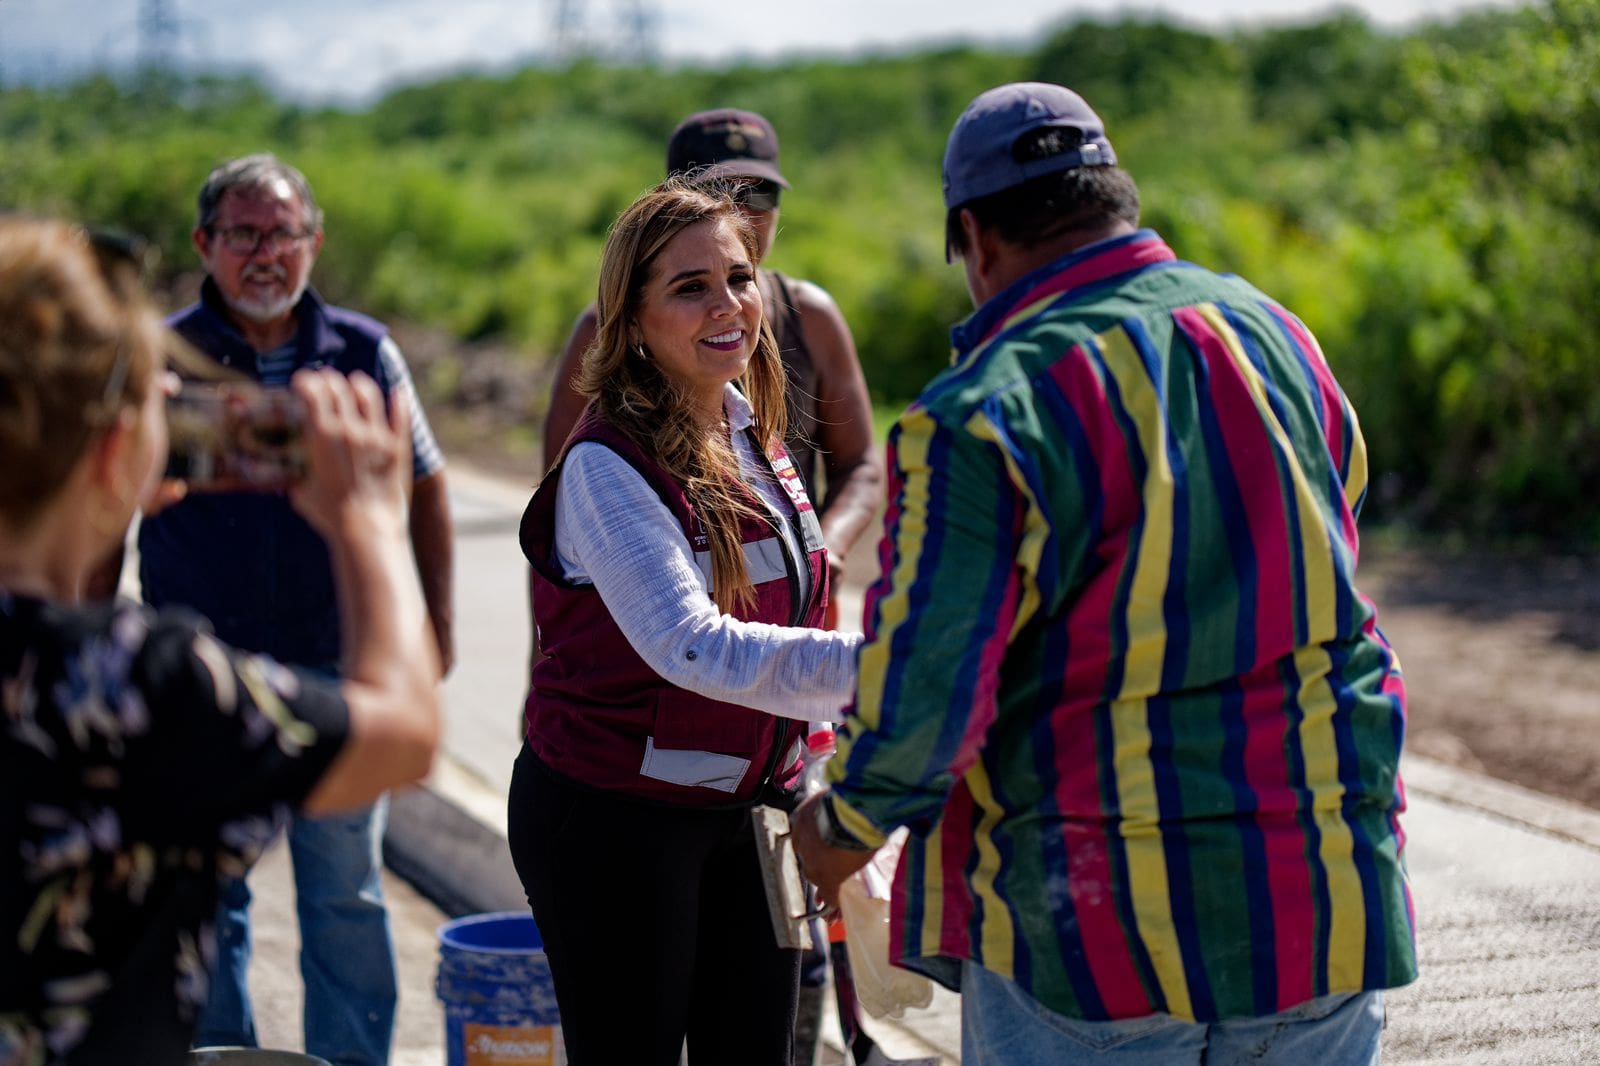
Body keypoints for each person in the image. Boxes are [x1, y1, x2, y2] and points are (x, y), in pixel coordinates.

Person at [793, 82, 1417, 1066]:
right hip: (1320, 897)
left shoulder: (983, 414)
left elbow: (930, 692)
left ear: (975, 238)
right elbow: (1335, 557)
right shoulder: (1277, 339)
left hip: (1095, 936)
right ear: (1114, 199)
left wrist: (840, 823)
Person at [0, 217, 441, 1063]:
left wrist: (97, 503)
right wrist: (370, 526)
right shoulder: (134, 681)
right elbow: (404, 736)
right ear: (116, 449)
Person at [509, 180, 861, 1066]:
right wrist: (892, 669)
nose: (728, 305)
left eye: (740, 278)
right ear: (628, 320)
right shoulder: (604, 466)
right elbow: (691, 646)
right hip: (615, 823)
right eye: (689, 286)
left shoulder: (755, 435)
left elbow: (806, 607)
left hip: (753, 815)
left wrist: (812, 766)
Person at [136, 154, 454, 1065]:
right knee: (209, 894)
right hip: (201, 668)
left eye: (283, 233)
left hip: (337, 662)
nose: (266, 253)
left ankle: (350, 1062)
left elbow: (427, 488)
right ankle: (221, 1058)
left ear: (314, 242)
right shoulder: (161, 354)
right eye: (244, 233)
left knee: (345, 889)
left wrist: (435, 626)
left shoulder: (363, 352)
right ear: (205, 245)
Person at [541, 108, 883, 621]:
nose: (741, 214)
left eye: (760, 194)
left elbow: (860, 465)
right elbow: (565, 510)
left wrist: (824, 550)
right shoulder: (606, 330)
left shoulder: (810, 316)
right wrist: (542, 658)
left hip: (800, 605)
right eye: (721, 193)